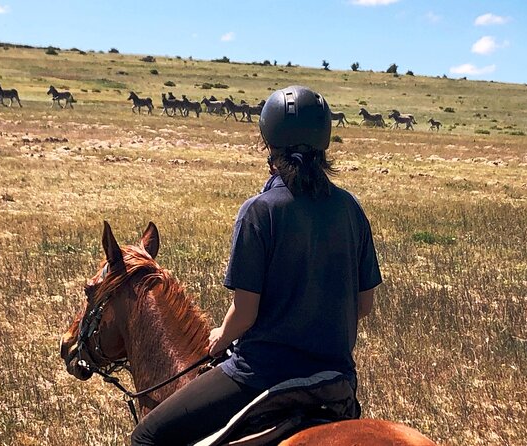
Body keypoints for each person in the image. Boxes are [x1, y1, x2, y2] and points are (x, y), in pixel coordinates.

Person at [131, 85, 382, 446]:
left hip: (262, 375)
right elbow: (364, 305)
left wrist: (220, 336)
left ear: (270, 146)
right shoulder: (350, 209)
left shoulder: (259, 211)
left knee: (147, 437)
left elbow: (245, 314)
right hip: (336, 380)